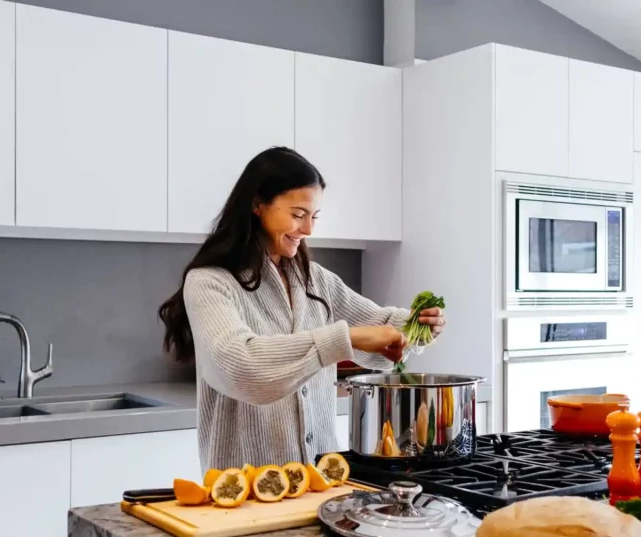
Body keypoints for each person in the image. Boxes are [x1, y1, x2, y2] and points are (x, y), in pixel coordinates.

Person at [159, 147, 445, 472]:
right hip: (245, 489)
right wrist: (344, 339)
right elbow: (240, 367)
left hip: (323, 481)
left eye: (314, 216)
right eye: (297, 215)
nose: (308, 229)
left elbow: (378, 327)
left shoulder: (316, 279)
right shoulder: (210, 282)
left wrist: (417, 326)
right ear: (257, 205)